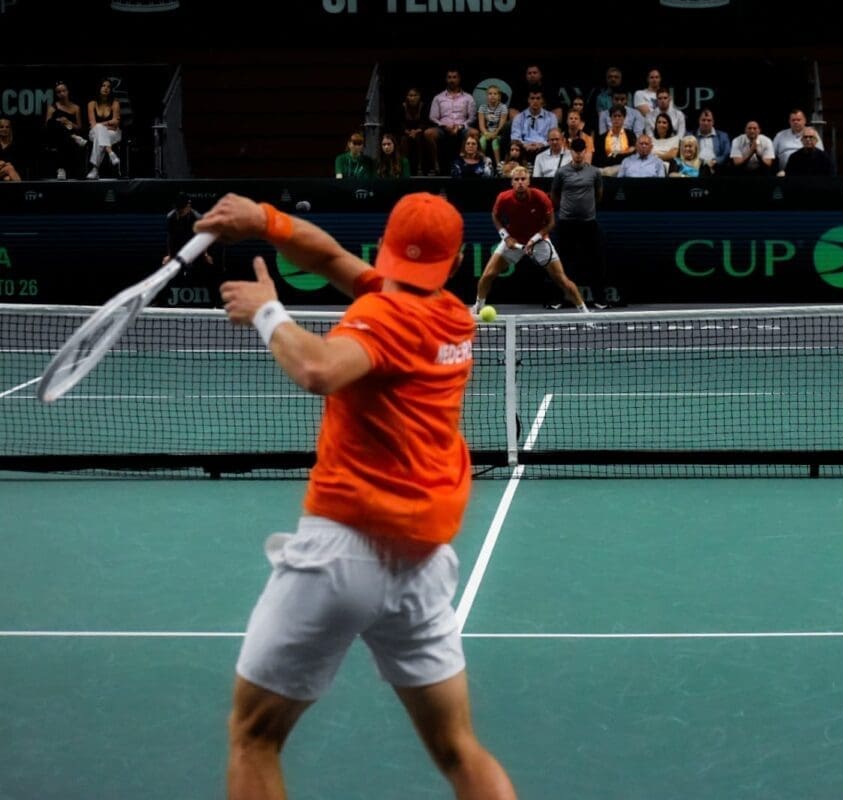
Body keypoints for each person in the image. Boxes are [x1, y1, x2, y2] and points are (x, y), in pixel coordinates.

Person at [193, 191, 518, 800]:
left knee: (253, 737)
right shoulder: (452, 315)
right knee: (458, 748)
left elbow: (319, 369)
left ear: (387, 246)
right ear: (452, 264)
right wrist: (266, 220)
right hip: (421, 563)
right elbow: (331, 260)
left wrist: (267, 312)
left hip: (341, 553)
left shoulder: (384, 317)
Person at [472, 166, 589, 315]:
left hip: (539, 242)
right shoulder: (503, 198)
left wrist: (534, 240)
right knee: (487, 275)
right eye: (516, 179)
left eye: (523, 179)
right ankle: (478, 308)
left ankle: (585, 314)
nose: (520, 182)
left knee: (562, 280)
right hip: (514, 241)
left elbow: (551, 223)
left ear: (528, 181)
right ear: (512, 182)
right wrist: (505, 236)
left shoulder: (541, 197)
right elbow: (495, 216)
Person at [551, 138, 608, 307]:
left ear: (585, 151)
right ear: (571, 152)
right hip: (566, 223)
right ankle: (558, 299)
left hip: (588, 223)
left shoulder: (594, 172)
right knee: (561, 262)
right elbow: (554, 194)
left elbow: (598, 194)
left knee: (595, 261)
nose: (578, 154)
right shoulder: (561, 172)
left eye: (581, 151)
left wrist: (586, 209)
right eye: (575, 151)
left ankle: (599, 299)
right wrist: (567, 209)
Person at [43, 80, 88, 180]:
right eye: (59, 92)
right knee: (52, 123)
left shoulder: (76, 108)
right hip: (55, 136)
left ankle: (61, 168)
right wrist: (59, 121)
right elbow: (48, 126)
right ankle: (73, 137)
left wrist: (68, 122)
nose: (62, 93)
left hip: (68, 135)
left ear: (68, 91)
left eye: (64, 91)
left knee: (63, 139)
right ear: (56, 94)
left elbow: (79, 127)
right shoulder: (52, 107)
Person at [85, 78, 122, 179]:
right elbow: (93, 125)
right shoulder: (91, 104)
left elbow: (116, 124)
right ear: (99, 88)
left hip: (113, 133)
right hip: (94, 132)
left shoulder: (115, 103)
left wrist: (101, 124)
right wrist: (107, 124)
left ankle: (95, 169)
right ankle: (110, 152)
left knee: (99, 133)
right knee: (98, 129)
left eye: (108, 87)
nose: (106, 88)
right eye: (103, 86)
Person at [163, 192, 214, 265]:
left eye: (181, 210)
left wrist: (205, 255)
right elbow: (171, 238)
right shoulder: (171, 217)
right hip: (179, 245)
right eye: (177, 209)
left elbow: (203, 239)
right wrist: (170, 255)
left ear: (188, 206)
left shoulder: (197, 218)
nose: (179, 212)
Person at [476, 84, 509, 167]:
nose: (492, 96)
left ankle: (498, 164)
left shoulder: (503, 107)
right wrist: (486, 133)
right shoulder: (482, 107)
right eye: (490, 94)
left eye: (495, 94)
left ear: (499, 96)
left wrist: (495, 133)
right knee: (482, 140)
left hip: (498, 133)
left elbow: (502, 124)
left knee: (495, 142)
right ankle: (483, 163)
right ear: (487, 96)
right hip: (486, 132)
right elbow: (481, 125)